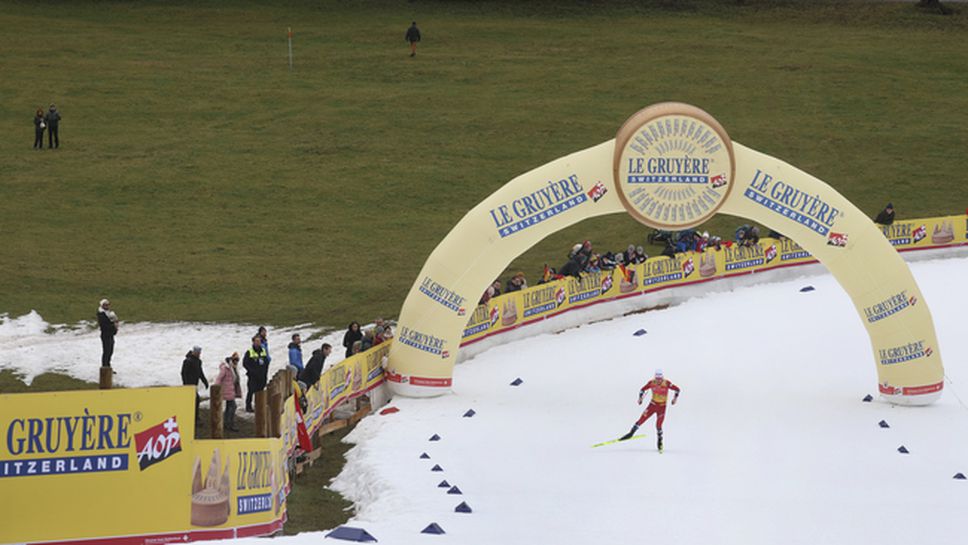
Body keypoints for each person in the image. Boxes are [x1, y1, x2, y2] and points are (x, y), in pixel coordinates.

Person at [618, 369, 681, 452]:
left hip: (662, 407)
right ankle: (631, 433)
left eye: (660, 379)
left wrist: (674, 399)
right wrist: (640, 398)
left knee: (658, 425)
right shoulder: (652, 383)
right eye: (657, 379)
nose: (658, 381)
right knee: (642, 419)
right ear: (655, 377)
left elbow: (677, 389)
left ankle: (660, 441)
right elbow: (642, 390)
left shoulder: (666, 383)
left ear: (662, 378)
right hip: (652, 405)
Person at [181, 346, 209, 424]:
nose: (199, 354)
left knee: (195, 401)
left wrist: (205, 381)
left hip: (194, 385)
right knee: (195, 401)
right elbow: (183, 373)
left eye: (200, 353)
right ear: (194, 352)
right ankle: (193, 418)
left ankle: (194, 418)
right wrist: (186, 384)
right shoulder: (187, 361)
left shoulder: (198, 361)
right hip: (188, 385)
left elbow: (200, 372)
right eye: (198, 353)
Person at [216, 353, 242, 432]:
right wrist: (217, 388)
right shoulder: (226, 368)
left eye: (237, 360)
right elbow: (219, 378)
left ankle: (227, 423)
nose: (236, 362)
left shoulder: (234, 368)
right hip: (227, 390)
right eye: (235, 360)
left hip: (231, 390)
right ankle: (230, 423)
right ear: (232, 359)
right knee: (233, 406)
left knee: (229, 407)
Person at [242, 335, 269, 412]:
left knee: (260, 392)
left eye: (259, 341)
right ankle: (248, 406)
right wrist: (252, 371)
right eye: (256, 341)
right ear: (253, 342)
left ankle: (259, 406)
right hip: (253, 376)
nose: (258, 343)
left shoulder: (263, 351)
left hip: (262, 376)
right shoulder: (249, 352)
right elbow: (245, 363)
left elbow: (266, 362)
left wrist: (264, 372)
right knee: (251, 391)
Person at [96, 298, 119, 368]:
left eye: (108, 305)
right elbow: (104, 325)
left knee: (110, 351)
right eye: (105, 305)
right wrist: (113, 325)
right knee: (106, 351)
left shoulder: (109, 313)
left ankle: (108, 365)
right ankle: (105, 366)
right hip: (105, 335)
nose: (107, 306)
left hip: (110, 334)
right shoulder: (101, 314)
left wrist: (115, 328)